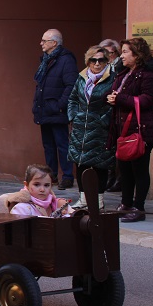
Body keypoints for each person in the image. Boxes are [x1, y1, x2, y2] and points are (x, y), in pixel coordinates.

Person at [106, 37, 153, 222]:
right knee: (125, 170)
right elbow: (117, 94)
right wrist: (110, 98)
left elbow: (149, 100)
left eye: (125, 52)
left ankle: (139, 208)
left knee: (139, 170)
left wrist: (120, 99)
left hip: (141, 130)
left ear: (137, 55)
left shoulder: (149, 75)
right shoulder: (124, 73)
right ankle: (126, 204)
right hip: (123, 129)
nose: (121, 56)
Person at [67, 46, 114, 210]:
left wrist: (104, 120)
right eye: (94, 60)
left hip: (100, 128)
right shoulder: (82, 77)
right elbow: (72, 98)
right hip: (81, 127)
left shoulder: (112, 78)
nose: (97, 63)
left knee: (100, 164)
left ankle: (98, 200)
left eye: (101, 60)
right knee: (81, 163)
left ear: (106, 61)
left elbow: (113, 104)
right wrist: (73, 116)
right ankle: (83, 199)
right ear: (88, 61)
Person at [32, 29, 78, 190]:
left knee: (62, 144)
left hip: (56, 111)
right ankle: (51, 177)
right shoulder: (47, 60)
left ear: (54, 43)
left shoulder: (66, 60)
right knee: (48, 146)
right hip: (44, 109)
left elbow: (71, 85)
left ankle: (67, 176)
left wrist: (59, 105)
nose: (41, 43)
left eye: (44, 41)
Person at [99, 38, 123, 193]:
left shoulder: (120, 67)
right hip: (104, 110)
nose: (107, 56)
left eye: (110, 53)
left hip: (116, 111)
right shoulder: (101, 66)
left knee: (117, 148)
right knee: (107, 147)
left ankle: (118, 179)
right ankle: (110, 177)